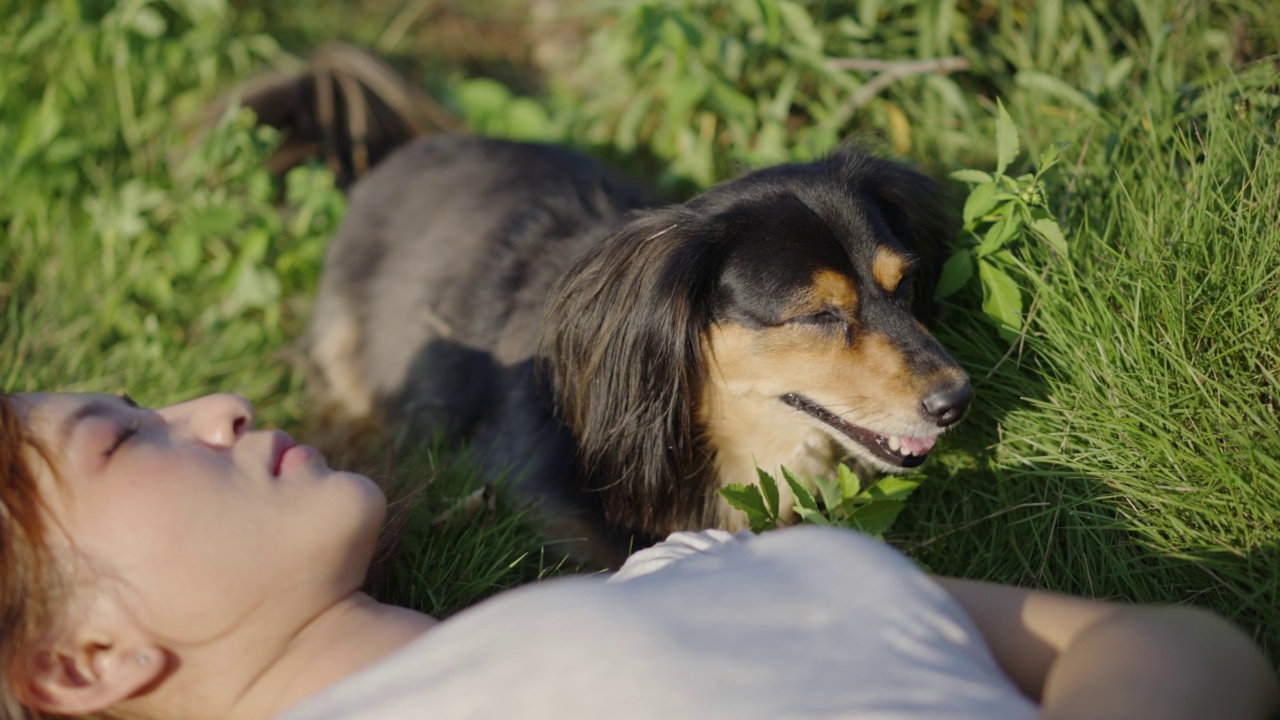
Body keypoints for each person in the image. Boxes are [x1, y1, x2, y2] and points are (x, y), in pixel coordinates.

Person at [0, 390, 1275, 720]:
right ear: (86, 657)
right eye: (121, 441)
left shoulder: (692, 564)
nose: (212, 409)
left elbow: (1159, 641)